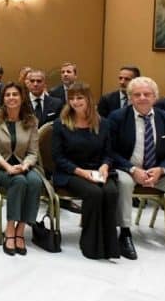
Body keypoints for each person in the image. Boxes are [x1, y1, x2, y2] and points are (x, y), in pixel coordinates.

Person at [106, 76, 165, 261]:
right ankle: (125, 234)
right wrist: (133, 170)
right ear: (131, 98)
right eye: (137, 94)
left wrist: (162, 170)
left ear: (155, 97)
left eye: (147, 94)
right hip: (127, 169)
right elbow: (110, 151)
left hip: (158, 171)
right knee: (123, 184)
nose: (142, 98)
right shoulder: (117, 117)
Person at [51, 81, 119, 260]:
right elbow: (58, 158)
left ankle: (109, 245)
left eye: (79, 97)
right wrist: (81, 172)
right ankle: (90, 243)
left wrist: (105, 166)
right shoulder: (61, 124)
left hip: (98, 170)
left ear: (88, 99)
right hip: (70, 172)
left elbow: (109, 153)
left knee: (111, 192)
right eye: (72, 98)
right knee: (94, 193)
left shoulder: (103, 123)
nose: (75, 102)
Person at [0, 82, 46, 256]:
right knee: (18, 181)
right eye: (7, 95)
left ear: (22, 98)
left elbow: (33, 152)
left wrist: (25, 165)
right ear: (3, 98)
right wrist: (8, 167)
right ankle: (10, 229)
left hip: (24, 165)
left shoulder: (31, 121)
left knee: (34, 181)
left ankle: (21, 230)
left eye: (15, 94)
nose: (11, 98)